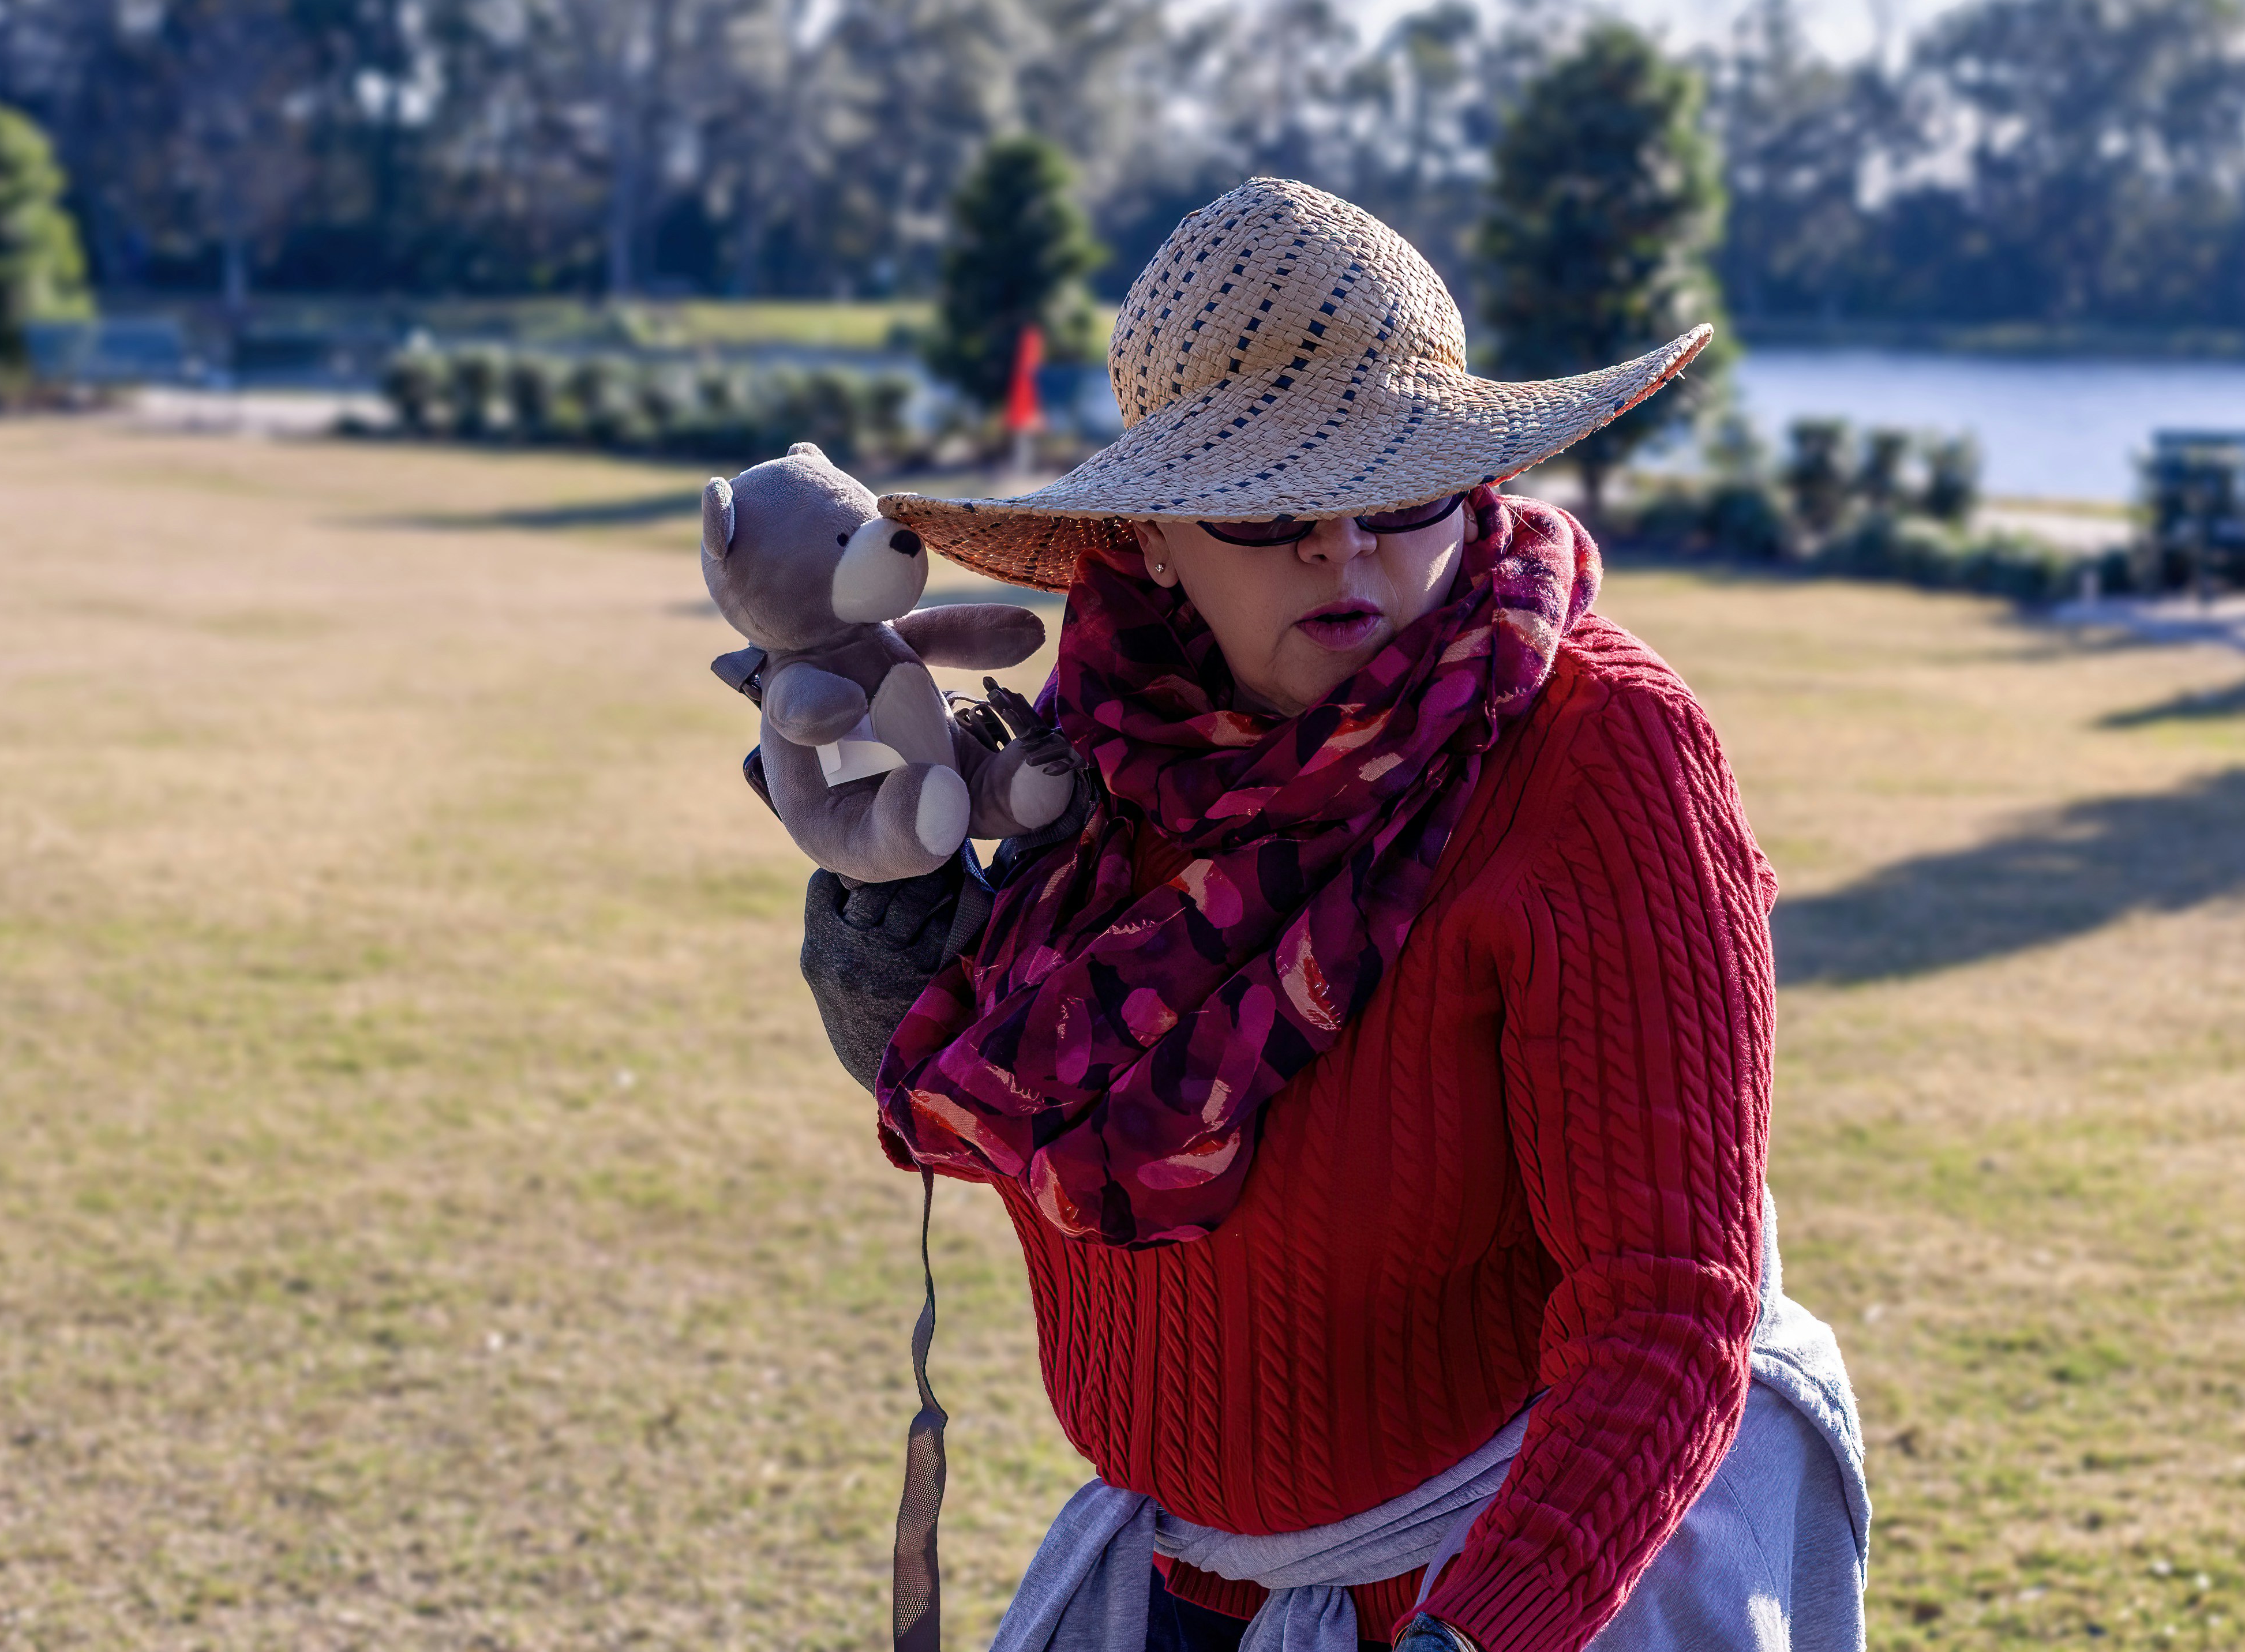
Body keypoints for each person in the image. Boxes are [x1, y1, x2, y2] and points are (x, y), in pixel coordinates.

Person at [792, 178, 1867, 1652]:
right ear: (1154, 535)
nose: (1344, 543)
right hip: (1184, 1575)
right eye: (1271, 498)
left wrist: (1475, 1633)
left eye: (1404, 484)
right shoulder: (1106, 746)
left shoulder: (1601, 752)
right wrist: (892, 900)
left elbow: (1671, 1302)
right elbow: (1065, 1135)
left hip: (1520, 1587)